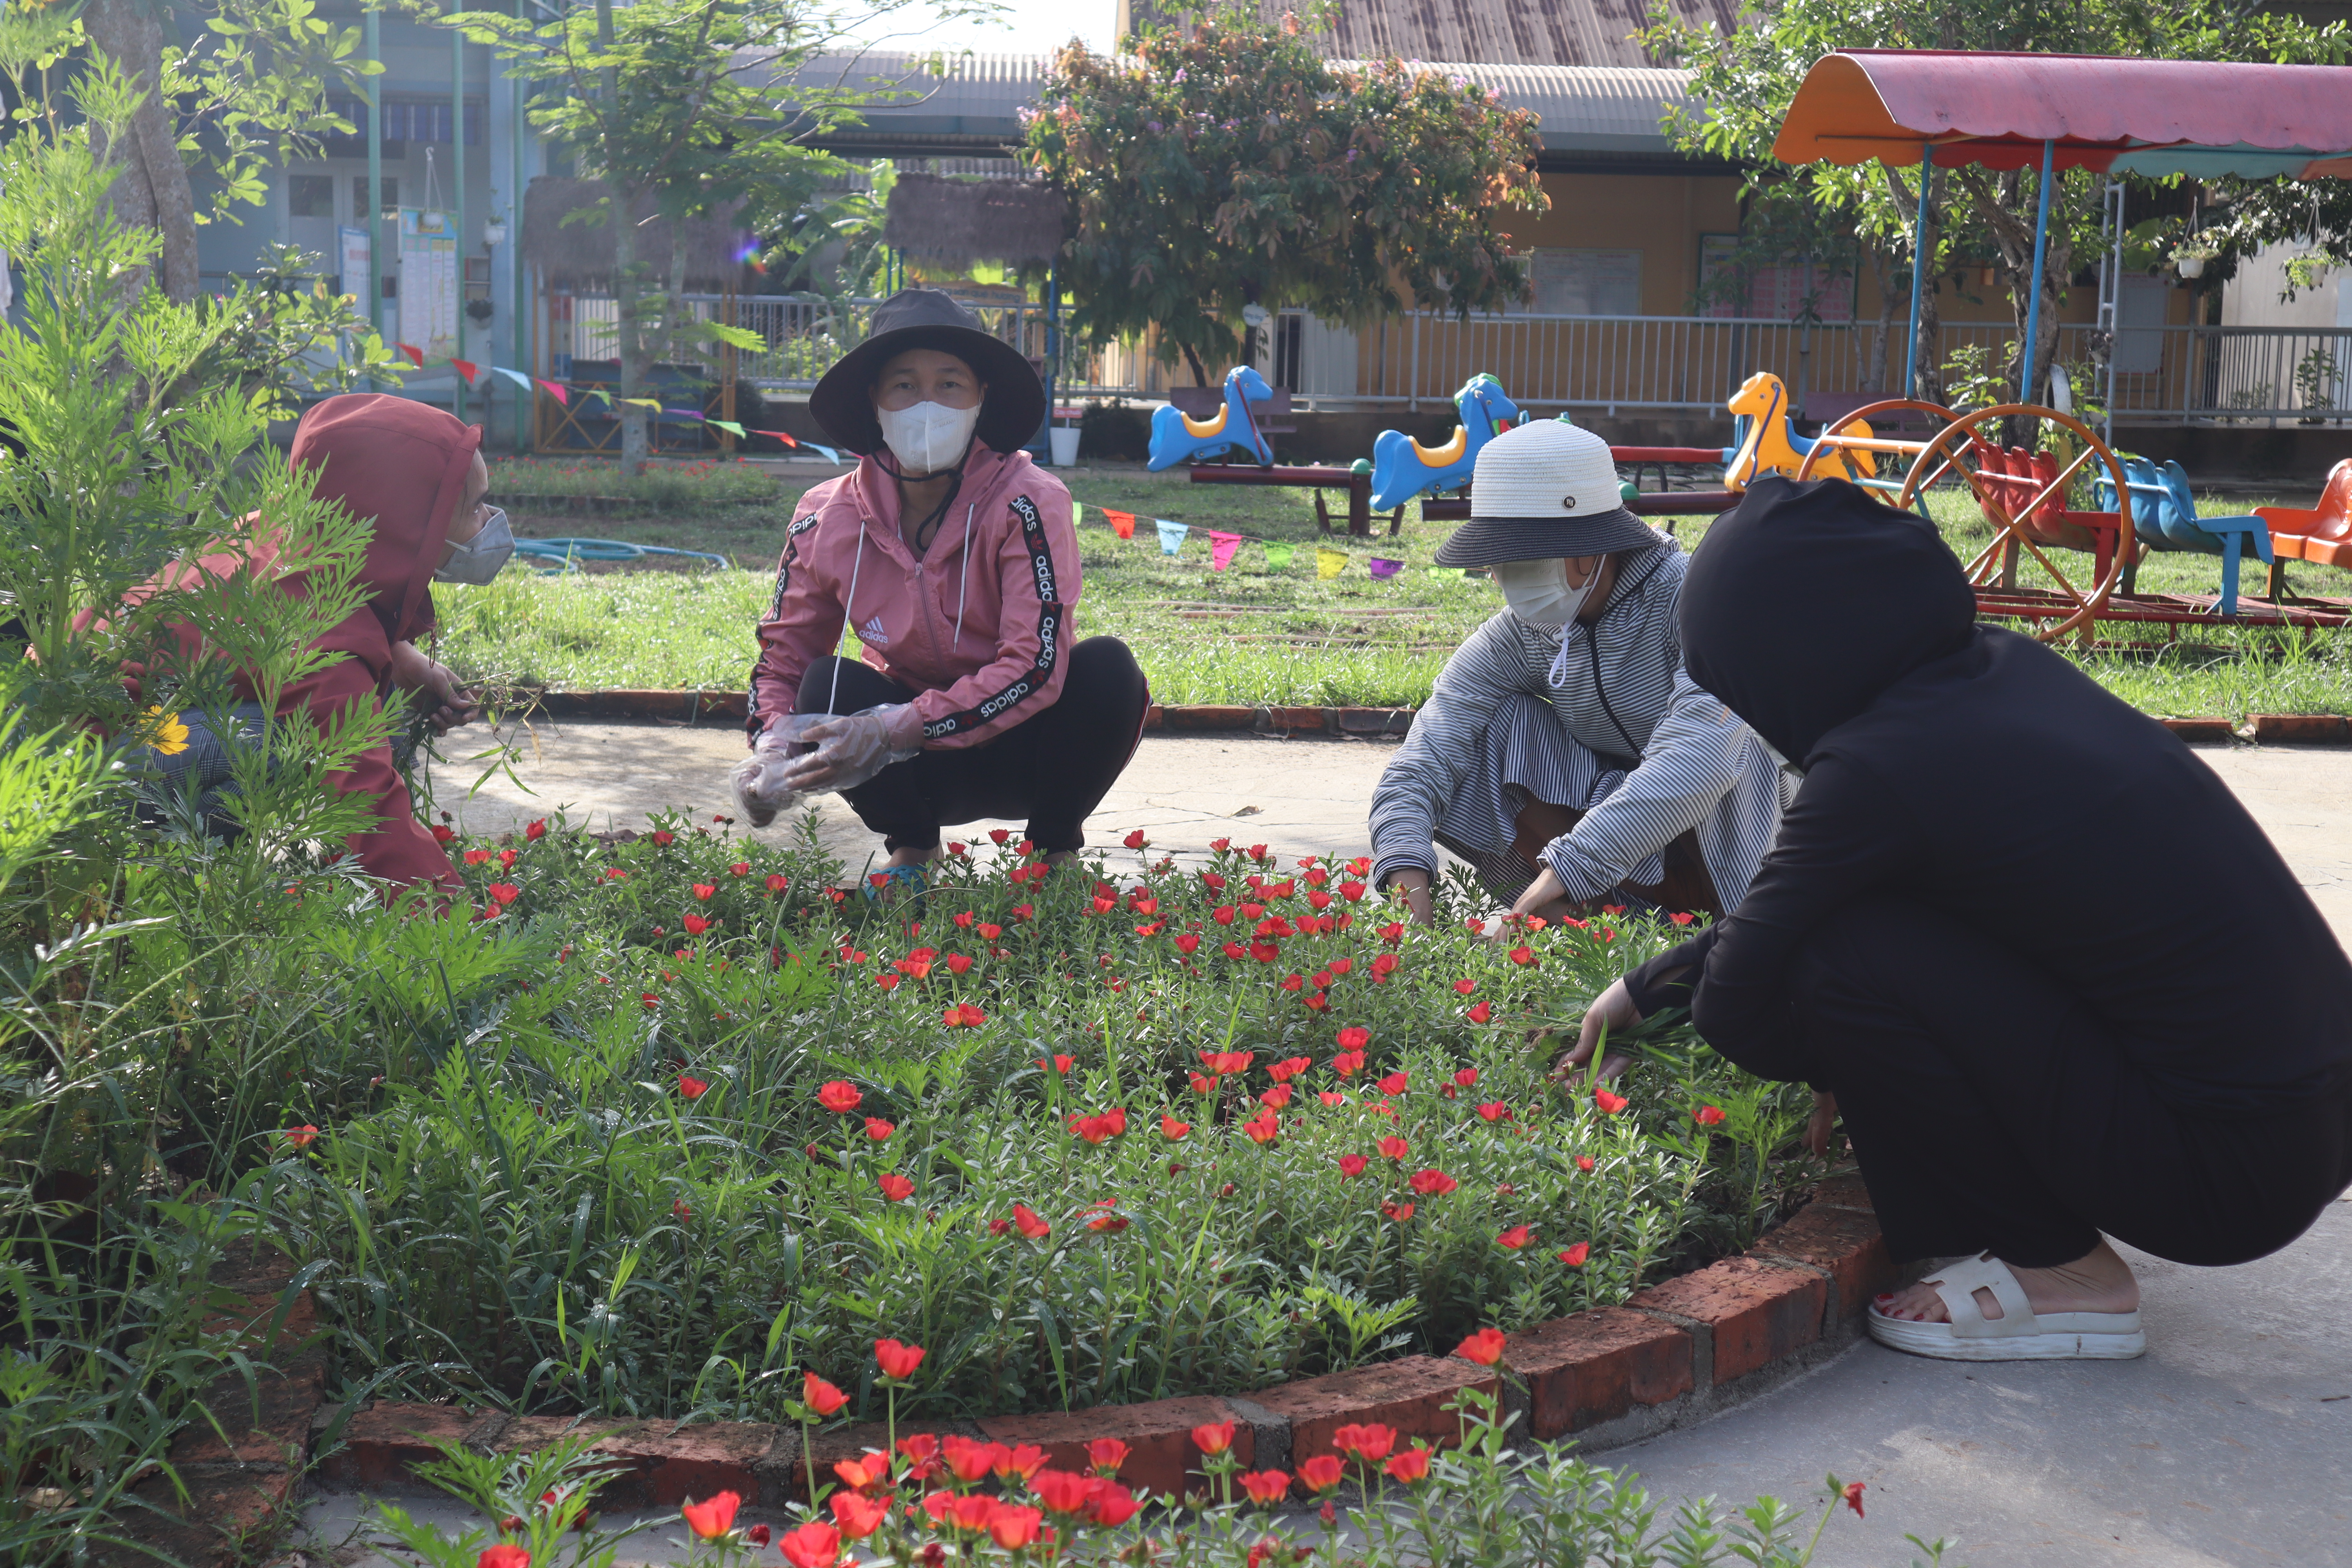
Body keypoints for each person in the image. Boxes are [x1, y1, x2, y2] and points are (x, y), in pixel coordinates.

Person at [1566, 474, 2352, 1361]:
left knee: (1842, 960)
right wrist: (1644, 985)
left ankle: (2067, 1274)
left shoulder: (1878, 766)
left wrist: (1835, 1057)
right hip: (2308, 1126)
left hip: (2224, 1178)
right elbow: (1790, 912)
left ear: (1782, 657)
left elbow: (1738, 998)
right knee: (1871, 920)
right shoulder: (1998, 675)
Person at [743, 289, 1149, 892]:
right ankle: (912, 849)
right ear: (874, 403)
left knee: (1108, 669)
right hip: (908, 769)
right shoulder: (822, 516)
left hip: (1026, 749)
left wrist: (896, 727)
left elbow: (1032, 666)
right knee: (827, 682)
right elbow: (784, 657)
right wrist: (770, 746)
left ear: (981, 399)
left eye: (950, 384)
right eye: (904, 385)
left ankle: (1053, 855)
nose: (926, 404)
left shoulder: (1029, 501)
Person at [1368, 417, 1788, 925]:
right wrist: (1405, 880)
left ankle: (1729, 933)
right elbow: (1426, 754)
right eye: (1496, 560)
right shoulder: (1523, 632)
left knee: (1724, 743)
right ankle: (1607, 928)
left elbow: (1700, 758)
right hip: (1616, 862)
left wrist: (1573, 865)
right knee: (1488, 730)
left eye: (1520, 558)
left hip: (1747, 845)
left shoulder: (1696, 601)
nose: (1502, 576)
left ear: (1589, 551)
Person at [128, 393, 504, 891]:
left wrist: (402, 660)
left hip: (114, 732)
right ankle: (160, 868)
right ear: (410, 522)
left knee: (375, 716)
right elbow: (369, 804)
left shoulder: (287, 533)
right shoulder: (324, 636)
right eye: (476, 506)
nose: (490, 520)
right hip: (83, 767)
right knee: (294, 745)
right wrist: (454, 922)